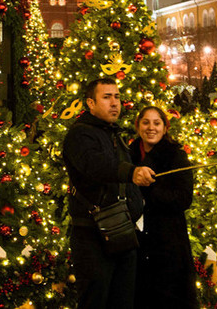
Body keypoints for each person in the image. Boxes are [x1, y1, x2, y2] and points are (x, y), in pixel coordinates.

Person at [63, 78, 154, 309]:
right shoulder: (80, 135)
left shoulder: (113, 134)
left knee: (123, 301)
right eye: (106, 97)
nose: (114, 103)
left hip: (122, 233)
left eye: (117, 97)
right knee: (96, 300)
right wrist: (131, 172)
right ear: (90, 103)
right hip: (93, 235)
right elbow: (95, 165)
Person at [129, 105, 198, 308]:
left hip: (168, 241)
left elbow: (184, 198)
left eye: (156, 123)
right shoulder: (128, 156)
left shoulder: (176, 156)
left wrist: (150, 189)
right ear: (138, 126)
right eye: (146, 122)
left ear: (165, 127)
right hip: (135, 241)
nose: (151, 128)